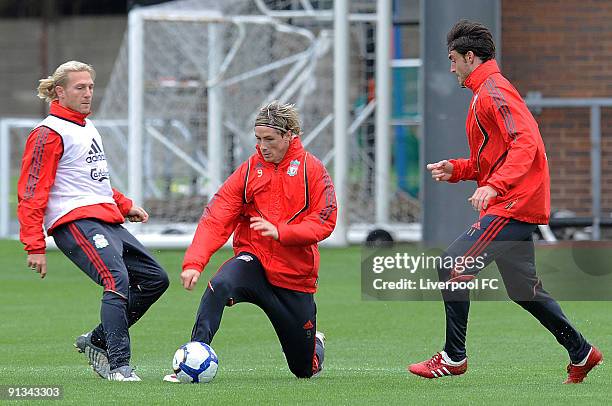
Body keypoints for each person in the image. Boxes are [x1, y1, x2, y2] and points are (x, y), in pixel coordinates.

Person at [408, 20, 602, 384]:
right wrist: (458, 169)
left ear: (470, 57)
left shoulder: (494, 90)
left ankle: (453, 357)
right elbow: (493, 158)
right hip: (514, 200)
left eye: (453, 60)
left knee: (452, 265)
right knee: (524, 291)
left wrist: (495, 187)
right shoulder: (486, 92)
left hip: (513, 203)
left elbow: (526, 143)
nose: (450, 68)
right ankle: (582, 351)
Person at [17, 60, 169, 381]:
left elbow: (94, 181)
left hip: (106, 219)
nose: (88, 93)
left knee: (156, 278)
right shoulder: (48, 132)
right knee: (117, 280)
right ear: (60, 92)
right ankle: (119, 368)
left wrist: (125, 204)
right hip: (75, 222)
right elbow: (32, 191)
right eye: (80, 87)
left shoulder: (87, 126)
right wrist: (34, 244)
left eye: (90, 87)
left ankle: (97, 339)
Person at [163, 101, 337, 381]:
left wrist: (282, 232)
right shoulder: (249, 171)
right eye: (258, 139)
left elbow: (326, 219)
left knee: (304, 370)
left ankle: (314, 343)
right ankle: (193, 355)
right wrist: (194, 262)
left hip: (294, 278)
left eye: (269, 139)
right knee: (220, 284)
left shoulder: (312, 170)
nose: (262, 146)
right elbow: (217, 216)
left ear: (289, 135)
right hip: (254, 261)